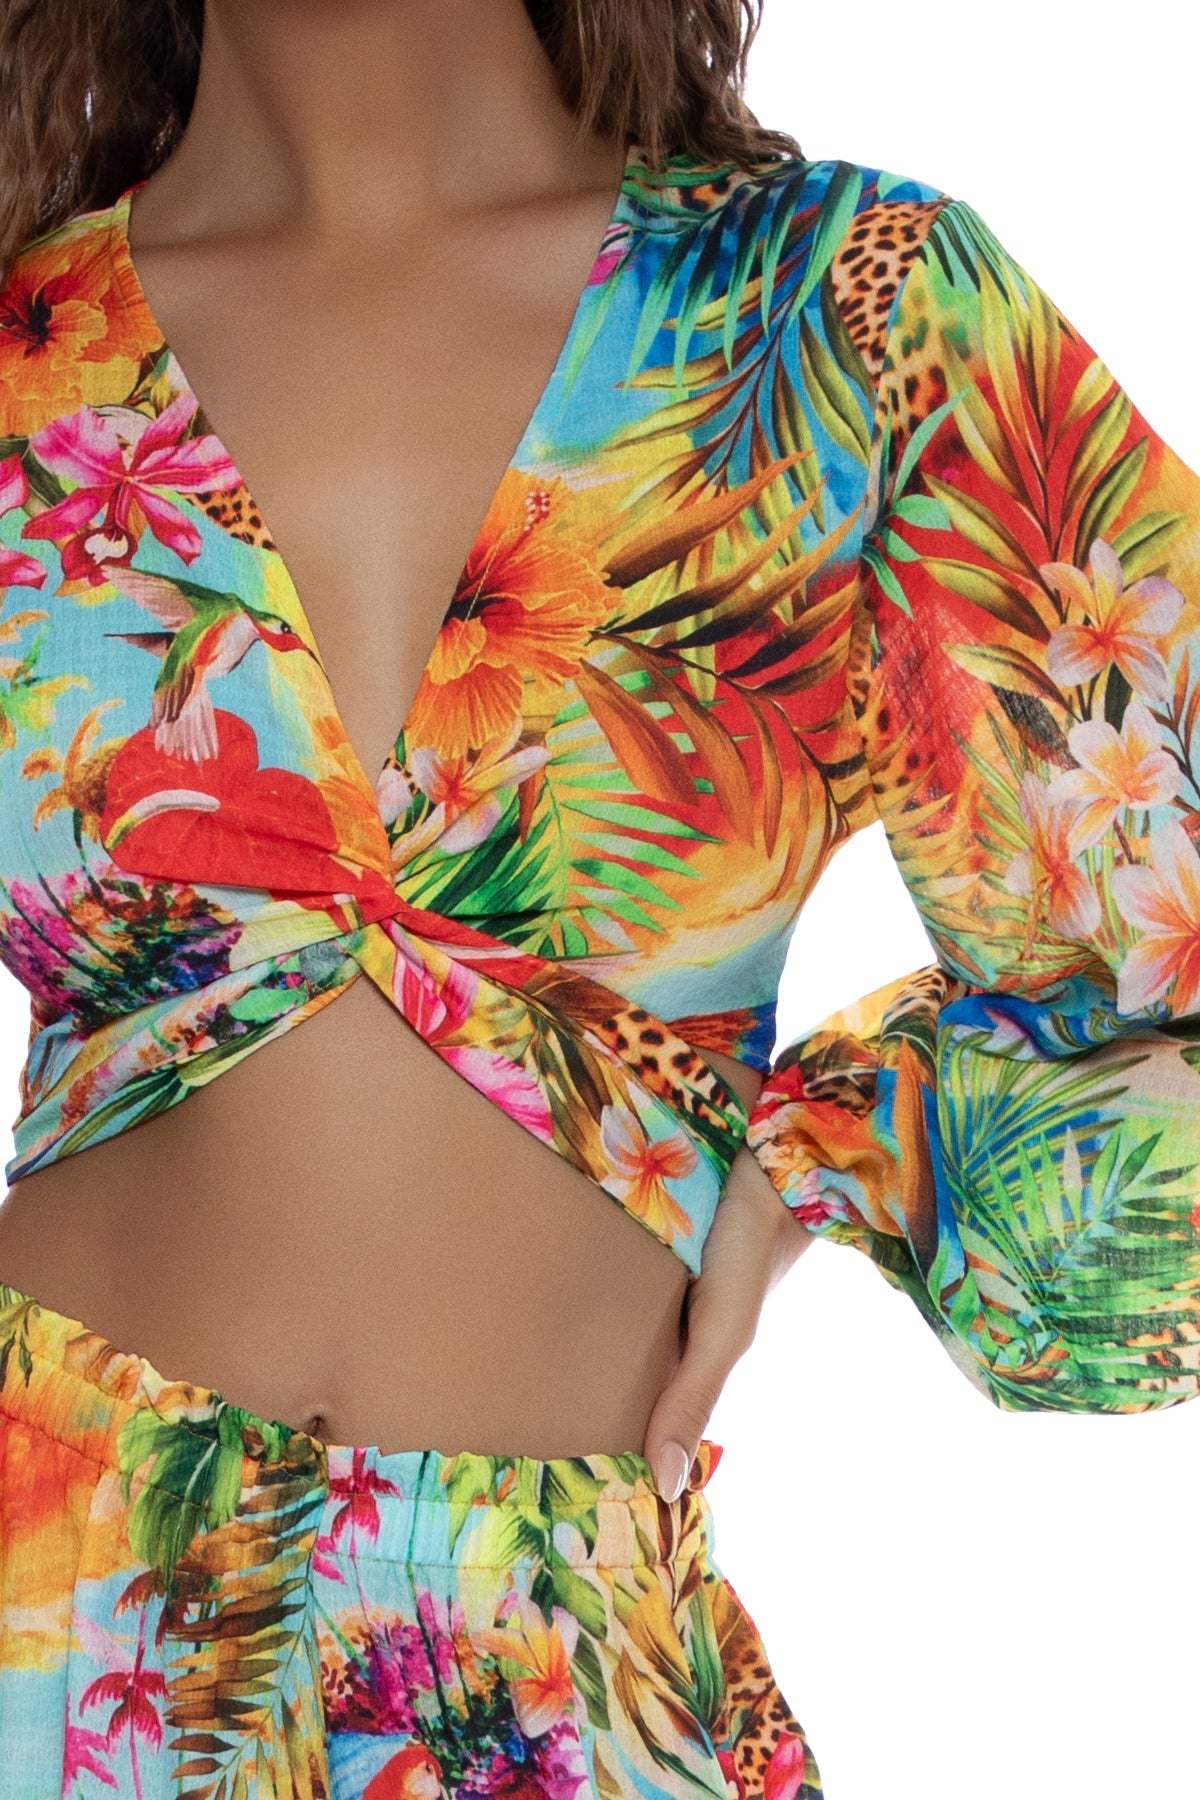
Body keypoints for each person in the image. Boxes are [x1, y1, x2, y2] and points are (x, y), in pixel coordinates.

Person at [0, 1, 1197, 1796]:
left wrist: (853, 1143)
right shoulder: (25, 359)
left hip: (556, 1663)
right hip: (44, 1611)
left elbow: (1167, 949)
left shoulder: (840, 317)